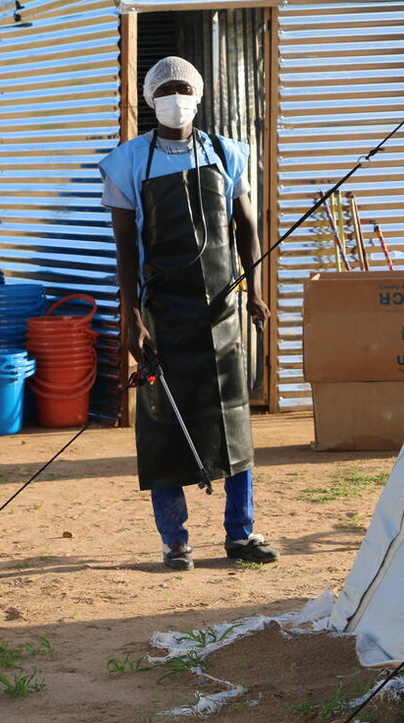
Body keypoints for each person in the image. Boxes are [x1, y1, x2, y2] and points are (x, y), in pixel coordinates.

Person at [98, 56, 280, 571]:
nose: (176, 98)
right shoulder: (127, 162)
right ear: (150, 98)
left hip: (221, 310)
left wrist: (255, 291)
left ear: (198, 96)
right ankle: (174, 540)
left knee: (233, 421)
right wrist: (131, 317)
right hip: (161, 313)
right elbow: (124, 251)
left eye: (184, 89)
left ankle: (240, 534)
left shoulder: (228, 153)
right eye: (166, 90)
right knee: (164, 425)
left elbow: (247, 228)